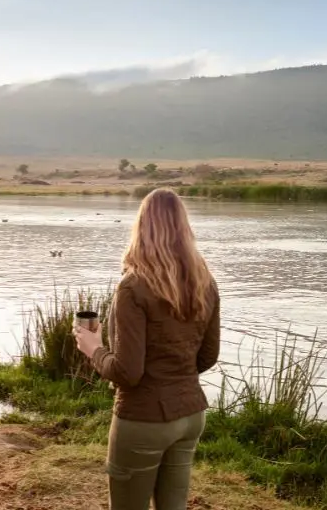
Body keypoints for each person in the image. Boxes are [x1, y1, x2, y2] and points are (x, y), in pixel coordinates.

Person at [74, 188, 221, 510]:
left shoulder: (133, 286)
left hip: (143, 420)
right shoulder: (205, 282)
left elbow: (128, 373)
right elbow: (208, 357)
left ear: (141, 228)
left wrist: (94, 348)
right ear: (184, 229)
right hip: (191, 414)